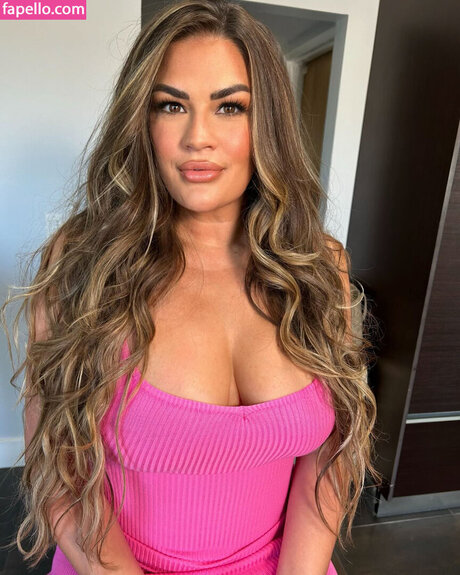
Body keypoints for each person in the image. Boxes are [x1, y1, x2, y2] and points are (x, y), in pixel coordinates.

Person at [1, 0, 381, 573]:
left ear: (267, 123)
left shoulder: (319, 266)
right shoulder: (84, 262)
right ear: (143, 121)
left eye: (230, 107)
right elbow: (61, 472)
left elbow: (331, 458)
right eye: (172, 105)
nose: (197, 136)